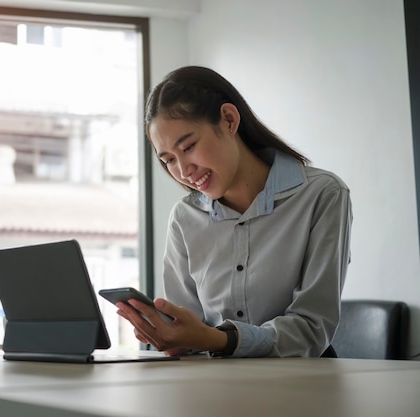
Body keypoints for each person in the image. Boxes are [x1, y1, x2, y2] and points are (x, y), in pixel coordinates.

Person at [116, 66, 352, 357]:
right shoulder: (184, 217)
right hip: (212, 386)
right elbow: (187, 327)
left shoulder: (322, 194)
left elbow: (312, 329)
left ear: (229, 119)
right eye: (168, 161)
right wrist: (171, 337)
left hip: (302, 385)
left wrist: (218, 339)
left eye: (188, 146)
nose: (183, 171)